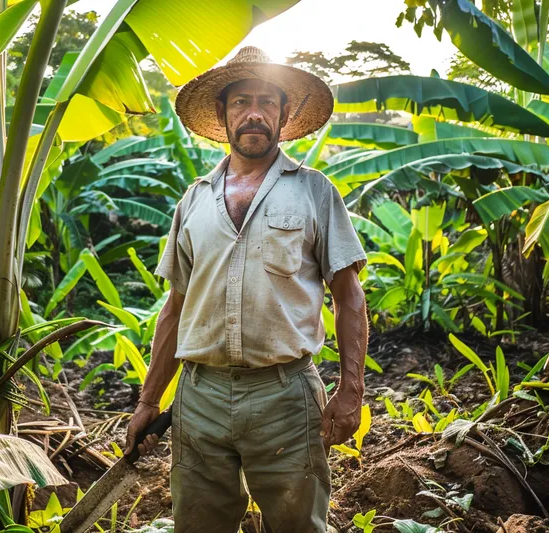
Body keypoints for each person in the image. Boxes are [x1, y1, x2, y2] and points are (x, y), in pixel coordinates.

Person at [124, 46, 369, 533]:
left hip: (285, 396)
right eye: (241, 102)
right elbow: (175, 308)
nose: (254, 113)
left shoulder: (315, 191)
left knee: (298, 526)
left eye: (266, 101)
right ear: (223, 113)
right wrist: (149, 401)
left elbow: (349, 298)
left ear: (283, 114)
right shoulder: (193, 200)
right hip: (200, 398)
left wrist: (351, 390)